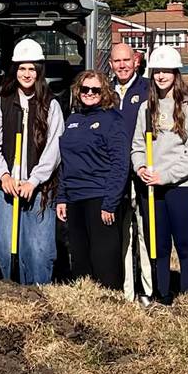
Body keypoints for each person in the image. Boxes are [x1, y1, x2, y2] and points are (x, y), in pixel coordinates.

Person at [0, 39, 64, 285]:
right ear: (14, 71)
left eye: (31, 69)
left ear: (39, 71)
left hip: (39, 190)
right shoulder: (2, 103)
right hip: (8, 189)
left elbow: (54, 149)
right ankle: (10, 294)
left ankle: (39, 296)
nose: (26, 74)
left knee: (38, 252)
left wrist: (34, 181)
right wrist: (4, 176)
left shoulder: (51, 105)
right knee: (7, 249)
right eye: (21, 68)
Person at [130, 45, 188, 302]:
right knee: (158, 246)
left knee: (184, 245)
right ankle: (161, 294)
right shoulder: (145, 109)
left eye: (166, 71)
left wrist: (167, 175)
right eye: (157, 71)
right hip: (152, 187)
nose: (161, 76)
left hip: (181, 186)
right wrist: (140, 167)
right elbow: (138, 146)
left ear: (176, 73)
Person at [54, 71, 129, 289]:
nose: (89, 93)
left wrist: (110, 202)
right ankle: (84, 307)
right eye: (85, 89)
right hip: (75, 198)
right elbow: (65, 162)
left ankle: (109, 307)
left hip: (100, 198)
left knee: (104, 261)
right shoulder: (73, 120)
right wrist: (62, 197)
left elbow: (120, 164)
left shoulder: (112, 120)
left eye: (95, 90)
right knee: (80, 260)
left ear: (104, 92)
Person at [111, 43, 152, 304]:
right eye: (117, 61)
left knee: (144, 233)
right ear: (111, 64)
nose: (123, 65)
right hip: (115, 174)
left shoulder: (148, 89)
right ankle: (126, 292)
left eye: (127, 60)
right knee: (121, 234)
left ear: (136, 61)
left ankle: (148, 290)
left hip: (142, 170)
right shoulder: (105, 91)